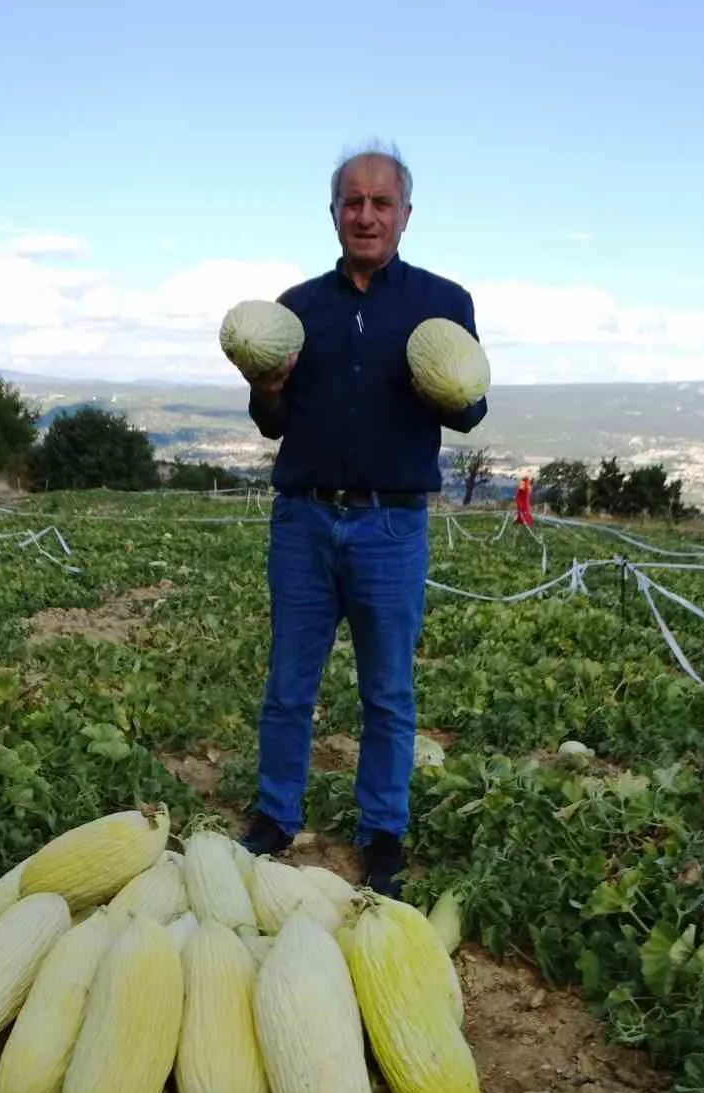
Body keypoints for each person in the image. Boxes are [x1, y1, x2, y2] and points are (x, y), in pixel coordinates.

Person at [222, 140, 489, 896]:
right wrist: (266, 385)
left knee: (388, 692)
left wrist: (445, 394)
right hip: (303, 521)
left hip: (390, 526)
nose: (366, 215)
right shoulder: (297, 307)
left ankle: (382, 831)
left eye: (381, 203)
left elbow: (471, 409)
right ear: (334, 212)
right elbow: (271, 424)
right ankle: (275, 816)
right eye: (353, 202)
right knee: (288, 683)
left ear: (406, 214)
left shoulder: (444, 302)